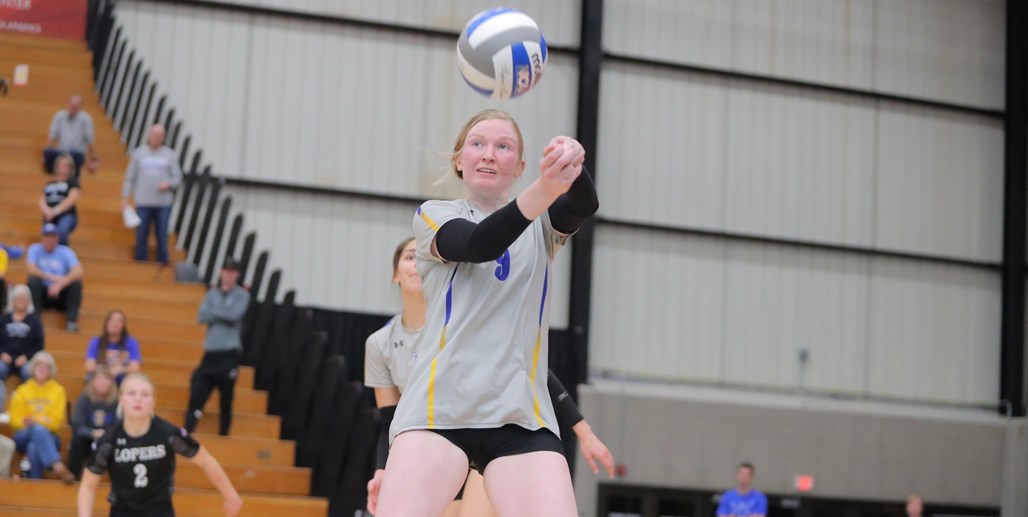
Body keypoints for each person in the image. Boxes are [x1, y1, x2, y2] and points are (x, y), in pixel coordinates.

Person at [375, 109, 598, 517]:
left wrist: (573, 165)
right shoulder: (434, 215)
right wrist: (546, 188)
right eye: (477, 144)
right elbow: (480, 244)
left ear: (521, 166)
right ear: (459, 160)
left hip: (520, 416)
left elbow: (585, 203)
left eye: (504, 146)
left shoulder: (543, 225)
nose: (489, 154)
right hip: (437, 412)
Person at [365, 238, 614, 516]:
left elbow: (534, 372)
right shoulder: (380, 343)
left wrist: (584, 432)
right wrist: (382, 469)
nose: (415, 265)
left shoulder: (462, 324)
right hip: (433, 442)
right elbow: (388, 419)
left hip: (485, 430)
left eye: (419, 258)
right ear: (395, 274)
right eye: (408, 258)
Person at [78, 372, 244, 517]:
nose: (138, 399)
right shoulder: (108, 441)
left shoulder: (168, 434)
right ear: (121, 400)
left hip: (160, 511)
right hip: (122, 512)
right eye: (131, 393)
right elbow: (87, 486)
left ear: (153, 401)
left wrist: (230, 495)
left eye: (145, 394)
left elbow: (205, 460)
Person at [184, 258, 249, 436]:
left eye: (232, 271)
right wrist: (222, 312)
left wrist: (215, 312)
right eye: (226, 271)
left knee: (226, 398)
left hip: (229, 353)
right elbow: (202, 316)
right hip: (211, 353)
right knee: (198, 390)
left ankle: (224, 435)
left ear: (237, 274)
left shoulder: (241, 295)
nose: (228, 275)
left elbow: (233, 316)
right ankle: (187, 433)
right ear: (221, 272)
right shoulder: (212, 293)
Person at [121, 124, 183, 265]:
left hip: (163, 203)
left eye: (159, 135)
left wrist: (168, 184)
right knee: (141, 233)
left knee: (162, 233)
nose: (156, 138)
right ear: (148, 135)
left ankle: (162, 261)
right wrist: (125, 197)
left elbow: (178, 178)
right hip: (143, 201)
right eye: (153, 134)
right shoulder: (138, 153)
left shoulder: (170, 155)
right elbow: (130, 177)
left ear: (163, 138)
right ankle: (141, 261)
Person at [9, 351, 75, 482]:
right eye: (39, 365)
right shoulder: (23, 389)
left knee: (34, 446)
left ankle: (35, 483)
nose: (42, 368)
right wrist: (41, 420)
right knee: (37, 429)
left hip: (51, 437)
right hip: (22, 435)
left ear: (51, 371)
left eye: (46, 366)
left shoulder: (58, 390)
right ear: (32, 368)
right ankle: (57, 465)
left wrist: (33, 420)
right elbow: (14, 420)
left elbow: (55, 423)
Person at [26, 222, 84, 332]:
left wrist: (62, 283)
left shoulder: (66, 251)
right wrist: (52, 277)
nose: (50, 239)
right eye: (47, 236)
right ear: (42, 237)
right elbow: (31, 269)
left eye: (53, 236)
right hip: (42, 294)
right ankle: (35, 320)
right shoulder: (34, 249)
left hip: (60, 295)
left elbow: (79, 270)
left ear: (57, 238)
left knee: (76, 283)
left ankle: (71, 322)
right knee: (32, 280)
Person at [0, 284, 46, 410]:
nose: (20, 301)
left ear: (29, 301)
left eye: (23, 298)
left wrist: (26, 356)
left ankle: (24, 406)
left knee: (29, 372)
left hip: (26, 359)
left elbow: (40, 344)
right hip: (5, 359)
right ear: (12, 300)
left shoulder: (35, 320)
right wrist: (2, 353)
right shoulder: (4, 318)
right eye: (18, 298)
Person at [68, 366, 118, 479]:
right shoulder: (84, 399)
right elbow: (77, 425)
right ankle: (73, 478)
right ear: (92, 381)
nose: (102, 382)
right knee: (77, 442)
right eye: (99, 378)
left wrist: (106, 435)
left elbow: (120, 425)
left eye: (106, 378)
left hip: (109, 441)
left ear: (111, 382)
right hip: (88, 440)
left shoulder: (117, 401)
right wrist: (92, 433)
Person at [45, 94, 98, 175]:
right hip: (61, 151)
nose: (73, 106)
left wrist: (93, 159)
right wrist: (47, 152)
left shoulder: (86, 119)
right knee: (48, 154)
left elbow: (89, 140)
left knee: (77, 156)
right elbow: (52, 135)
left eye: (76, 105)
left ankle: (73, 179)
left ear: (80, 106)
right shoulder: (59, 116)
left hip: (77, 153)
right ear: (68, 104)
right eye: (72, 103)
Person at [84, 310, 142, 383]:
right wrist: (106, 371)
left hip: (121, 382)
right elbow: (89, 366)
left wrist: (120, 369)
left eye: (119, 321)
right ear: (106, 323)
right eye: (111, 319)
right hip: (101, 381)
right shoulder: (97, 341)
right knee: (89, 378)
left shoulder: (130, 342)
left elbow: (135, 367)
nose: (115, 323)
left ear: (123, 326)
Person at [39, 153, 83, 245]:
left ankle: (63, 255)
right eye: (61, 165)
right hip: (49, 214)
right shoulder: (49, 184)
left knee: (61, 231)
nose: (63, 167)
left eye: (66, 165)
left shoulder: (72, 182)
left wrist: (55, 211)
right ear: (56, 167)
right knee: (46, 235)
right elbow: (42, 200)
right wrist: (47, 211)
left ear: (70, 168)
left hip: (67, 215)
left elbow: (72, 199)